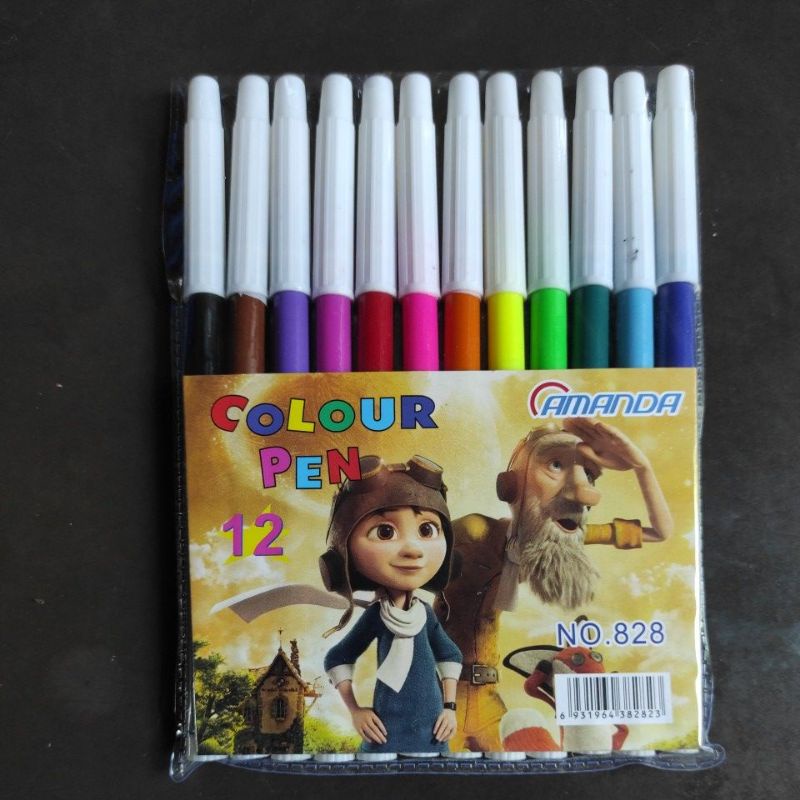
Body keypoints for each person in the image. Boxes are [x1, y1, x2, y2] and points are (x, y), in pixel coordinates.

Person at [435, 418, 672, 752]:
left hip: (488, 698)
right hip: (443, 696)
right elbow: (404, 554)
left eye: (589, 475)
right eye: (556, 465)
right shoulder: (474, 533)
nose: (585, 493)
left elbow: (660, 531)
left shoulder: (557, 535)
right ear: (509, 485)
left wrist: (641, 467)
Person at [320, 455, 463, 755]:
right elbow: (337, 657)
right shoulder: (377, 616)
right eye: (385, 532)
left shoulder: (425, 614)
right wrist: (355, 711)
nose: (413, 549)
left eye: (427, 530)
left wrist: (450, 708)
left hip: (433, 737)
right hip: (385, 736)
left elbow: (450, 655)